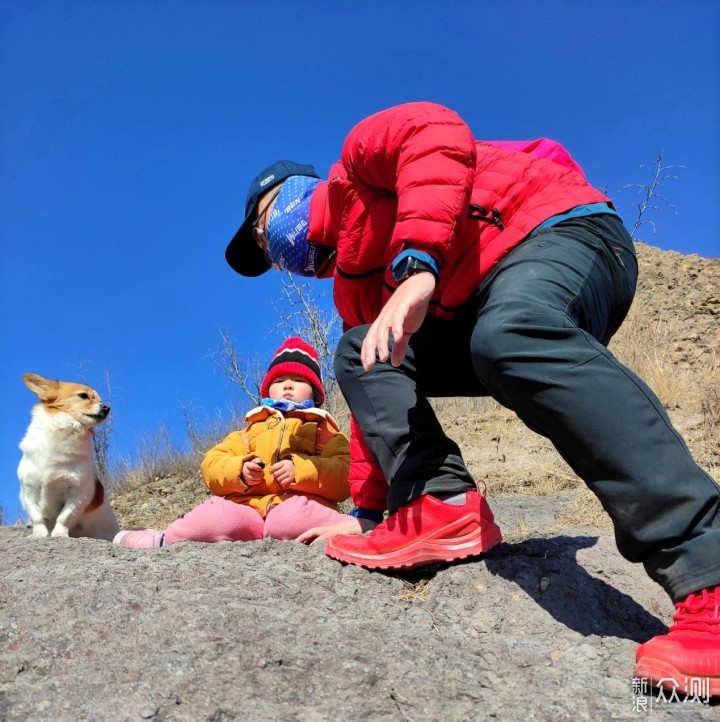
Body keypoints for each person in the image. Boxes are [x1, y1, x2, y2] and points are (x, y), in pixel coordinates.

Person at [224, 102, 720, 696]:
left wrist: (417, 264)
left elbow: (435, 133)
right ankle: (437, 502)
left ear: (296, 193)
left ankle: (707, 568)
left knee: (509, 334)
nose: (270, 248)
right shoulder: (355, 290)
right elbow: (374, 411)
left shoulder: (360, 163)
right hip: (479, 306)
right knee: (361, 349)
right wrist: (364, 517)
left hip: (559, 231)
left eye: (263, 226)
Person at [114, 337, 351, 547]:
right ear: (268, 391)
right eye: (279, 381)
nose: (288, 385)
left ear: (316, 393)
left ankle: (354, 530)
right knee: (220, 515)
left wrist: (301, 470)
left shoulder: (324, 431)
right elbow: (212, 463)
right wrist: (240, 471)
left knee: (289, 518)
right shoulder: (249, 430)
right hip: (247, 510)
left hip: (297, 507)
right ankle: (165, 538)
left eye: (299, 379)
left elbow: (346, 474)